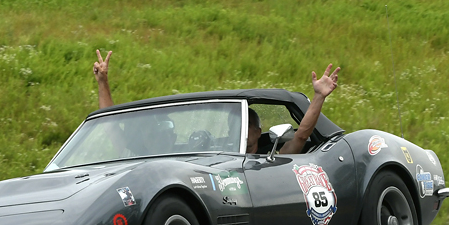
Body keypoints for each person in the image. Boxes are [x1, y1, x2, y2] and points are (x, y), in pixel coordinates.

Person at [92, 48, 340, 156]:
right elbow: (112, 129)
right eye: (236, 128)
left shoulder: (270, 154)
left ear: (258, 130)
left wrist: (318, 97)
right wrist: (103, 82)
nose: (241, 135)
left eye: (245, 127)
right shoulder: (204, 155)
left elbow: (301, 135)